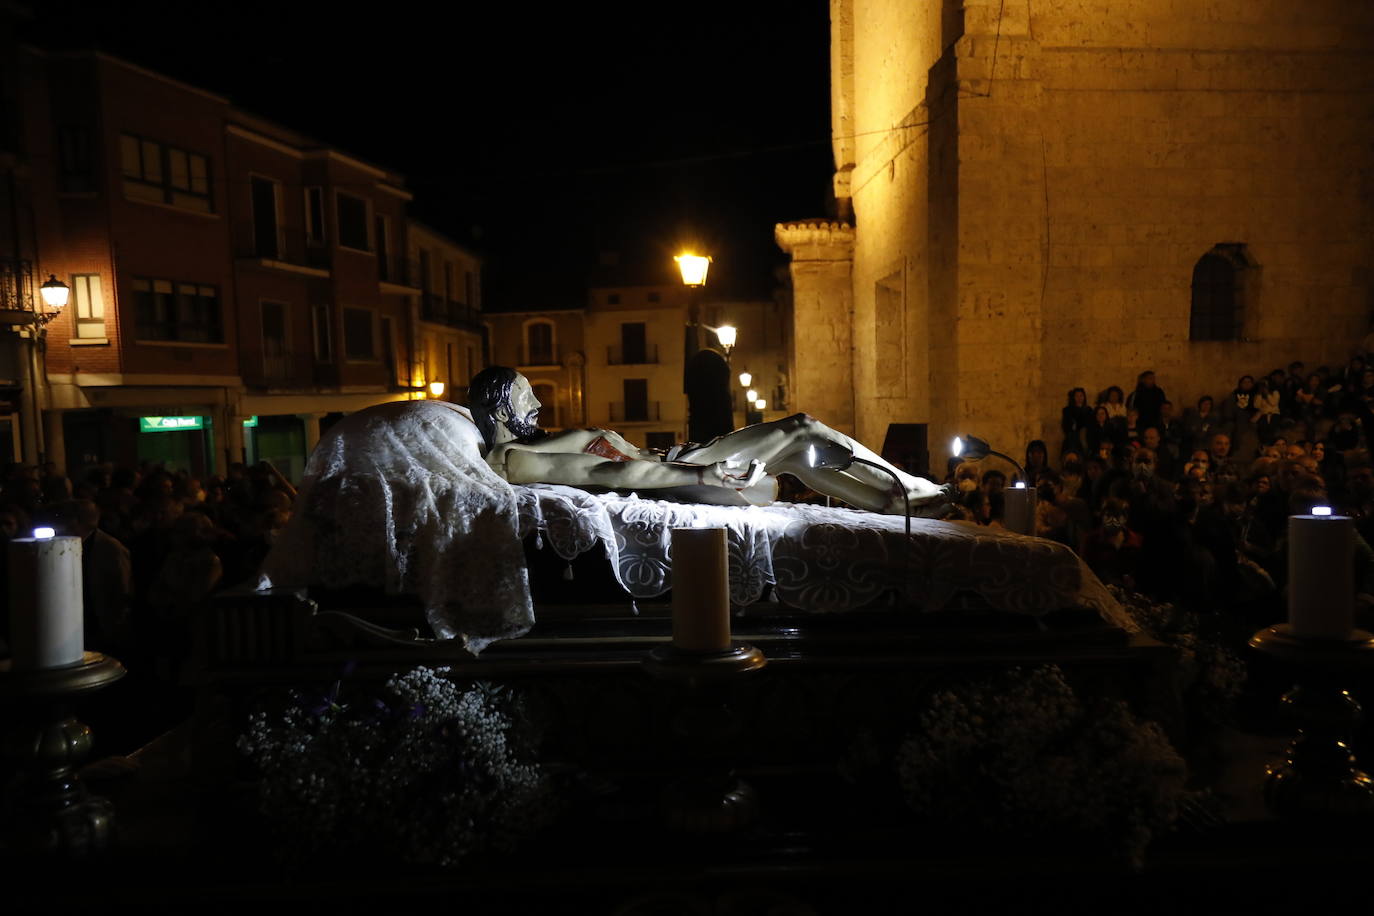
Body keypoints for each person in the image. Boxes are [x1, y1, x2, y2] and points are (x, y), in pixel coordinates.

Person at [469, 366, 953, 517]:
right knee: (801, 427)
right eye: (526, 396)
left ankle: (891, 503)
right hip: (683, 477)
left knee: (794, 459)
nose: (538, 405)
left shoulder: (537, 444)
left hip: (685, 467)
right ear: (498, 406)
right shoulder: (511, 457)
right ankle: (911, 487)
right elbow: (606, 472)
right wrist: (701, 472)